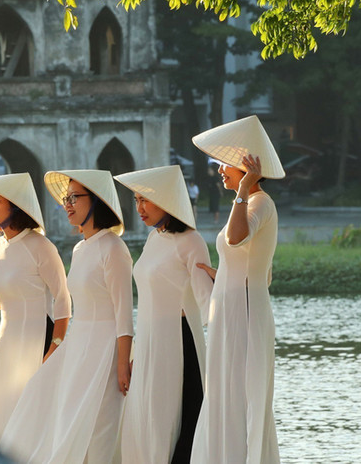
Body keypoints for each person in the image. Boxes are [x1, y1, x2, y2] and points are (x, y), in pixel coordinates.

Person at [0, 170, 133, 463]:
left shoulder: (114, 248)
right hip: (78, 344)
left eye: (75, 197)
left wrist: (123, 362)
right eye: (65, 198)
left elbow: (124, 312)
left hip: (105, 347)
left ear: (96, 201)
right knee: (53, 408)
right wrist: (60, 344)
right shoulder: (80, 248)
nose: (67, 204)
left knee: (99, 425)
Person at [190, 115, 284, 463]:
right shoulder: (246, 205)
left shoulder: (259, 203)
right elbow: (252, 262)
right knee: (224, 388)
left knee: (242, 390)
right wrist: (223, 275)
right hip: (230, 306)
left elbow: (235, 237)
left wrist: (244, 189)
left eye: (224, 166)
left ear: (246, 168)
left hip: (244, 309)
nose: (219, 172)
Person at [114, 165, 213, 464]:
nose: (139, 208)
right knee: (146, 420)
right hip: (148, 345)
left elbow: (207, 301)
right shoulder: (154, 238)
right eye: (136, 200)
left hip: (178, 343)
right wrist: (136, 350)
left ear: (168, 199)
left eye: (146, 199)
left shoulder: (191, 241)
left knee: (176, 419)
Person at [0, 172, 71, 446]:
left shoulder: (40, 246)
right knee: (1, 416)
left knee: (32, 421)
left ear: (16, 204)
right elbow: (6, 299)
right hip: (6, 341)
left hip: (38, 341)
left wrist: (56, 346)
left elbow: (63, 299)